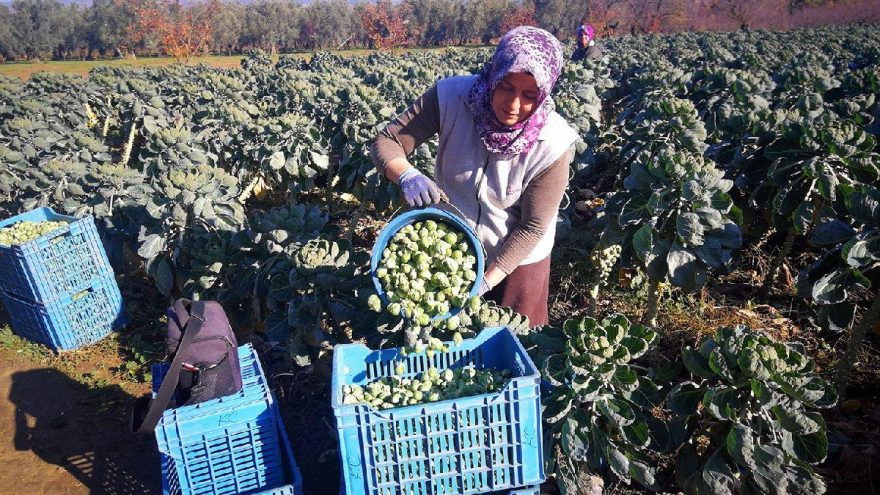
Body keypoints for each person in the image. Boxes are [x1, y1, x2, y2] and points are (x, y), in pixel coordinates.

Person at [369, 26, 578, 326]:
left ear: (544, 94)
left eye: (529, 95)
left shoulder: (553, 143)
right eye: (505, 86)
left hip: (517, 262)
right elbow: (387, 141)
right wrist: (406, 175)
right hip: (450, 248)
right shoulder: (450, 97)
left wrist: (483, 282)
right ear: (493, 74)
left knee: (513, 340)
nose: (514, 104)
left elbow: (532, 227)